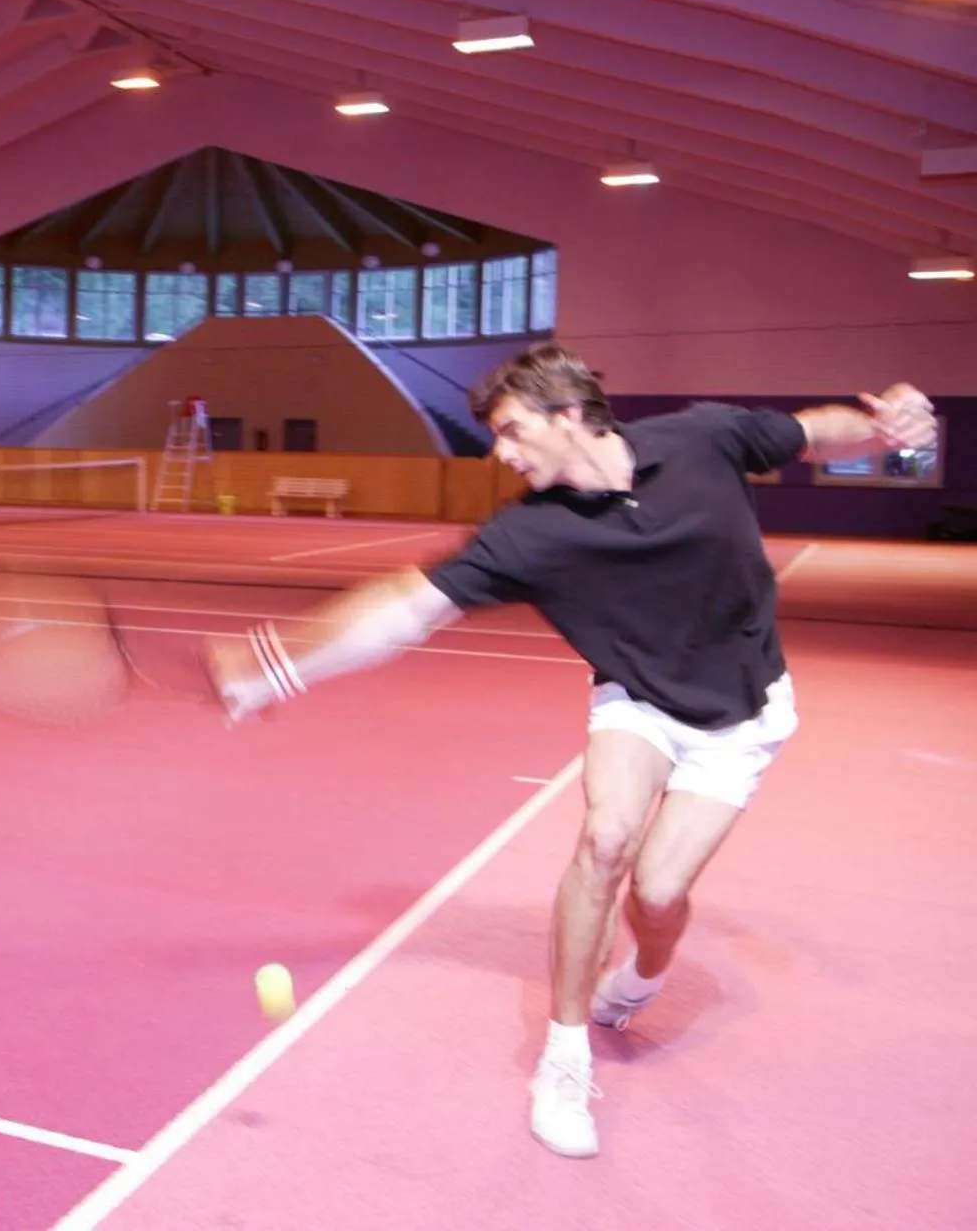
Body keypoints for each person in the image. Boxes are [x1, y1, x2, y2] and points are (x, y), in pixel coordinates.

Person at [207, 344, 938, 1159]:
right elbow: (405, 610)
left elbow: (810, 432)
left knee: (658, 893)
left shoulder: (703, 438)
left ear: (568, 415)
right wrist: (278, 668)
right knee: (604, 840)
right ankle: (562, 1058)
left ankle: (642, 979)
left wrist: (879, 428)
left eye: (512, 430)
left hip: (743, 715)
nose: (501, 452)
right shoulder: (529, 534)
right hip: (636, 701)